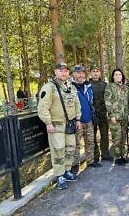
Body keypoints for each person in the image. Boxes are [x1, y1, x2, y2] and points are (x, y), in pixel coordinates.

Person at [37, 62, 81, 190]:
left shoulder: (71, 87)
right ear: (56, 72)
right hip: (56, 126)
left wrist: (78, 119)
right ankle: (59, 176)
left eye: (66, 71)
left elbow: (77, 104)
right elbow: (42, 108)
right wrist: (48, 123)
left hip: (70, 125)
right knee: (58, 150)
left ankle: (67, 171)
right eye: (61, 70)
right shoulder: (49, 87)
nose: (64, 73)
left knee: (70, 148)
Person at [71, 65, 101, 175]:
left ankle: (90, 161)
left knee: (90, 142)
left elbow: (91, 101)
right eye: (78, 73)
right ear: (74, 74)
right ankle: (75, 165)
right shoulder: (69, 87)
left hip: (89, 119)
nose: (80, 75)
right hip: (77, 121)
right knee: (75, 144)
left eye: (82, 73)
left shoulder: (88, 85)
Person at [105, 69, 129, 165]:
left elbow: (127, 102)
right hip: (115, 117)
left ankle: (123, 155)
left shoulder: (125, 88)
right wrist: (112, 115)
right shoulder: (109, 86)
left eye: (120, 74)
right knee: (117, 138)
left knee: (123, 137)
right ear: (113, 77)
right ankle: (117, 157)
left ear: (122, 76)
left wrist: (127, 114)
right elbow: (108, 102)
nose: (118, 76)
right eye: (116, 74)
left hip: (124, 117)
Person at [90, 65, 111, 161]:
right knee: (92, 136)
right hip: (92, 114)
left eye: (97, 71)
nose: (95, 73)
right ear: (91, 73)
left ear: (100, 73)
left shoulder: (104, 85)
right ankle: (95, 156)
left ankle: (105, 154)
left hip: (103, 114)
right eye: (93, 71)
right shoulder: (87, 85)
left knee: (104, 135)